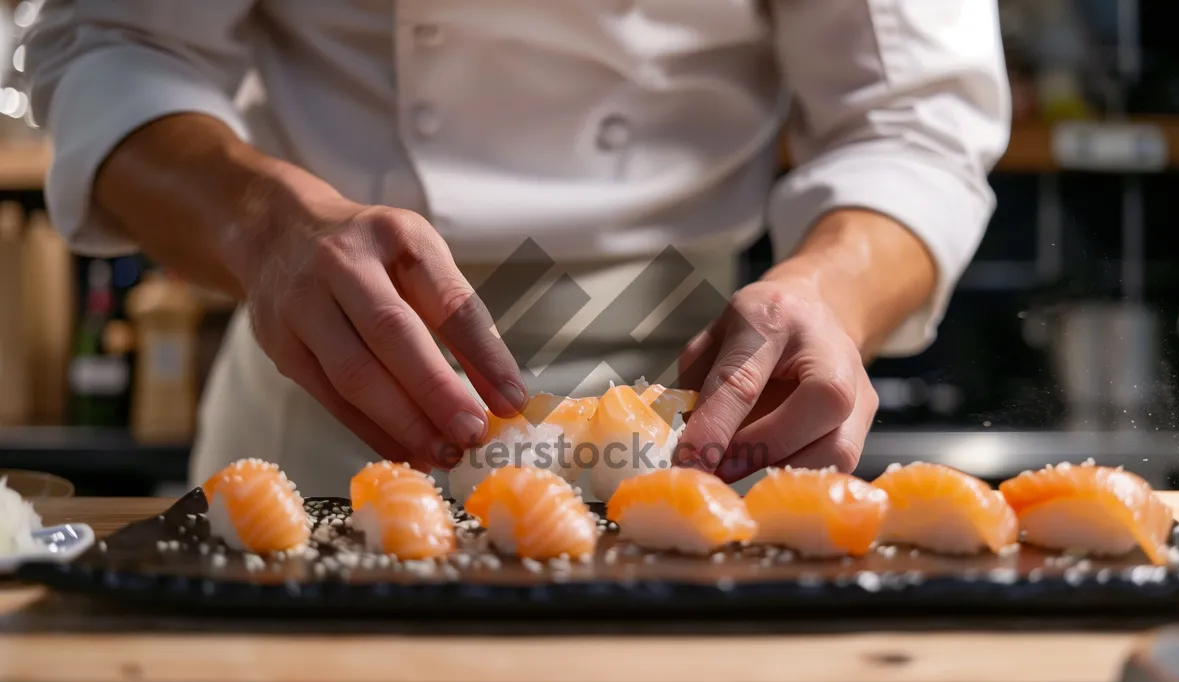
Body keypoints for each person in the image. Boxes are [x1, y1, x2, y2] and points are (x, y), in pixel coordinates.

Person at [21, 2, 1009, 496]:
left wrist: (829, 290)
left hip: (696, 402)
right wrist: (260, 222)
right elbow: (112, 47)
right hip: (331, 398)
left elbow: (915, 115)